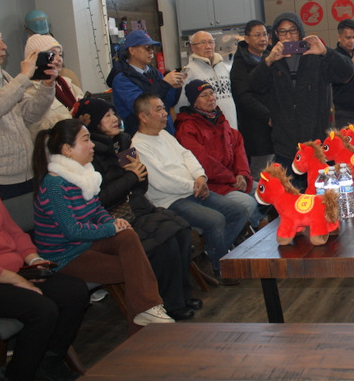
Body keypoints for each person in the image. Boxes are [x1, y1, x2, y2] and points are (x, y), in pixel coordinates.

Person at [32, 119, 174, 334]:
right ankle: (145, 321)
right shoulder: (55, 185)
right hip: (65, 256)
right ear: (67, 149)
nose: (92, 145)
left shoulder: (81, 175)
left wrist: (112, 222)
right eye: (86, 140)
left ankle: (147, 315)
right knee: (135, 270)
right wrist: (110, 229)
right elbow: (72, 231)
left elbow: (96, 208)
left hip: (86, 244)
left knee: (127, 236)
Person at [73, 97, 202, 321]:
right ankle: (168, 303)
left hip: (136, 205)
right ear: (93, 123)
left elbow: (140, 185)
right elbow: (101, 199)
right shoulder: (89, 154)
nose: (115, 119)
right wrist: (132, 177)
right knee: (165, 243)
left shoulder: (122, 143)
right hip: (114, 215)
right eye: (107, 116)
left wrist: (138, 174)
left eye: (114, 113)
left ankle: (182, 294)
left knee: (180, 231)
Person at [131, 94, 247, 286]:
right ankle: (219, 268)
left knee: (239, 211)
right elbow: (161, 182)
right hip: (169, 201)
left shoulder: (164, 135)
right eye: (159, 110)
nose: (165, 113)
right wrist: (195, 185)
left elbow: (187, 155)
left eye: (163, 108)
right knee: (215, 219)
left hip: (194, 189)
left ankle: (209, 255)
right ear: (143, 117)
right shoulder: (138, 146)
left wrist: (200, 176)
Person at [0, 183, 87, 381]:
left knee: (74, 292)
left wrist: (33, 260)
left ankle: (48, 365)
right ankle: (19, 374)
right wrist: (15, 278)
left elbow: (13, 231)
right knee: (42, 310)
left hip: (14, 270)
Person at [245, 12, 353, 181]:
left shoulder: (316, 56)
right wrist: (269, 60)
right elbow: (253, 86)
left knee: (321, 192)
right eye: (282, 32)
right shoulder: (273, 60)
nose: (288, 36)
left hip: (316, 144)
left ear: (300, 32)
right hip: (285, 146)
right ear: (276, 35)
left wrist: (326, 52)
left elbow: (346, 72)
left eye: (292, 30)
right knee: (290, 193)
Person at [0, 21, 59, 200]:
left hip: (25, 173)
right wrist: (23, 76)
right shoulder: (13, 80)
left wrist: (47, 86)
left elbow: (30, 113)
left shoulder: (3, 77)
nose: (4, 46)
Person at [175, 80, 260, 231]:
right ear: (194, 101)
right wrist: (232, 179)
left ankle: (249, 227)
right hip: (212, 184)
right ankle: (236, 236)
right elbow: (203, 162)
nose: (211, 98)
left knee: (267, 191)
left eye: (212, 93)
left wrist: (242, 173)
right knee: (248, 203)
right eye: (204, 95)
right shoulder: (187, 127)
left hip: (233, 178)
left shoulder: (219, 118)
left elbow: (237, 146)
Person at [106, 30, 183, 135]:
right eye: (147, 47)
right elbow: (139, 106)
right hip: (142, 134)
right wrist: (165, 84)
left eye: (152, 48)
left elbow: (168, 102)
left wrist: (174, 87)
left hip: (165, 131)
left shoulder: (154, 72)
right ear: (132, 50)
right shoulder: (122, 79)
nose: (151, 51)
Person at [230, 19, 274, 175]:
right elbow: (243, 97)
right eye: (257, 35)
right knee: (262, 175)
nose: (263, 39)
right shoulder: (240, 64)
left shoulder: (270, 56)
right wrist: (267, 116)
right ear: (247, 38)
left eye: (265, 34)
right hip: (256, 129)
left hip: (276, 128)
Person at [23, 34, 83, 139]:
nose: (59, 59)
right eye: (52, 54)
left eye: (60, 54)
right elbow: (38, 130)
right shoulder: (28, 91)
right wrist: (71, 118)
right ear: (37, 59)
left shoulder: (66, 83)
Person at [175, 30, 238, 130]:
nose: (208, 46)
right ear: (192, 47)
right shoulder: (188, 71)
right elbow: (181, 104)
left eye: (210, 42)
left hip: (231, 125)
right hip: (206, 128)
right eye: (202, 43)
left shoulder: (222, 66)